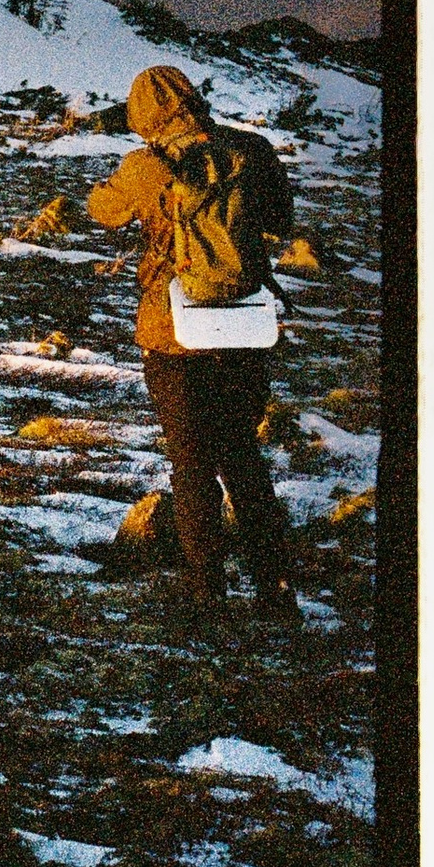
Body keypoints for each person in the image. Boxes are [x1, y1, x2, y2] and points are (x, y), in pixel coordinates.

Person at [85, 63, 300, 619]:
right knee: (243, 459)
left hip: (172, 332)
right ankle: (275, 590)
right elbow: (279, 219)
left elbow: (102, 211)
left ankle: (206, 592)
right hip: (242, 331)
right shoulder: (251, 151)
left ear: (145, 114)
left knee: (191, 465)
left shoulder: (145, 166)